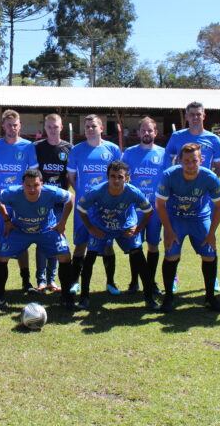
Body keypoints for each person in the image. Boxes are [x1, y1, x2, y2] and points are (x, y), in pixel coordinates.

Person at [155, 143, 220, 312]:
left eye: (194, 160)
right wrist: (169, 231)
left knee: (209, 254)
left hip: (199, 219)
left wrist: (211, 233)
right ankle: (168, 298)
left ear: (201, 160)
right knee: (171, 255)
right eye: (186, 161)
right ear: (179, 161)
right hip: (175, 219)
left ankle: (210, 297)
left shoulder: (209, 177)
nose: (190, 165)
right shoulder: (169, 175)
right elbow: (160, 205)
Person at [76, 161, 157, 310]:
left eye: (120, 177)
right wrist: (91, 228)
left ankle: (149, 298)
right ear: (107, 177)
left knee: (139, 259)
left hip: (125, 227)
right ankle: (84, 298)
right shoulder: (97, 191)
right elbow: (81, 208)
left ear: (126, 178)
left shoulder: (133, 191)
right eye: (112, 176)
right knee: (89, 260)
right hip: (101, 227)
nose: (116, 180)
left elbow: (149, 210)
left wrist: (138, 228)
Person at [0, 169, 75, 309]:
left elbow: (70, 198)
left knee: (65, 256)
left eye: (35, 185)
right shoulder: (13, 192)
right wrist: (7, 220)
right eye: (28, 185)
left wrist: (62, 223)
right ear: (22, 184)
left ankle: (66, 297)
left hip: (46, 230)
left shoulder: (51, 192)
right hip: (20, 231)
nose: (32, 189)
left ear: (41, 184)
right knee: (0, 257)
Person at [164, 101, 220, 293]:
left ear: (204, 116)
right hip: (177, 198)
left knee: (208, 240)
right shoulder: (177, 137)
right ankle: (172, 278)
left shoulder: (213, 139)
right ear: (186, 116)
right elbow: (168, 163)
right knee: (173, 243)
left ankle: (212, 281)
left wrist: (203, 183)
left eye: (199, 114)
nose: (195, 117)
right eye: (192, 114)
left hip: (203, 200)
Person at [66, 114, 123, 296]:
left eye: (93, 126)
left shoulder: (112, 149)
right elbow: (72, 178)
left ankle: (111, 282)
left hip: (107, 207)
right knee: (81, 243)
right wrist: (84, 194)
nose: (89, 129)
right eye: (87, 126)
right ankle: (74, 282)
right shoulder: (76, 150)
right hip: (84, 207)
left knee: (107, 244)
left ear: (101, 129)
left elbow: (119, 177)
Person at [0, 109, 39, 292]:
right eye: (9, 125)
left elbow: (34, 176)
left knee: (22, 241)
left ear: (20, 126)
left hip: (22, 203)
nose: (12, 128)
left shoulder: (28, 146)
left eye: (15, 125)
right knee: (0, 241)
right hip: (1, 203)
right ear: (3, 126)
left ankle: (26, 281)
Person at [122, 117, 165, 298]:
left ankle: (151, 281)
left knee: (153, 246)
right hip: (135, 209)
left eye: (150, 130)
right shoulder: (129, 153)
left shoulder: (163, 153)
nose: (147, 133)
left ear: (155, 132)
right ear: (138, 133)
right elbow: (123, 179)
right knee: (135, 245)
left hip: (155, 210)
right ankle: (134, 281)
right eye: (143, 130)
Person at [33, 113, 72, 293]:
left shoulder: (69, 148)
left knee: (56, 238)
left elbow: (70, 176)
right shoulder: (37, 147)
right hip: (41, 202)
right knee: (42, 240)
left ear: (61, 128)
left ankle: (52, 279)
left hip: (59, 203)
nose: (52, 130)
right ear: (45, 128)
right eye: (49, 127)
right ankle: (41, 279)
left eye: (55, 127)